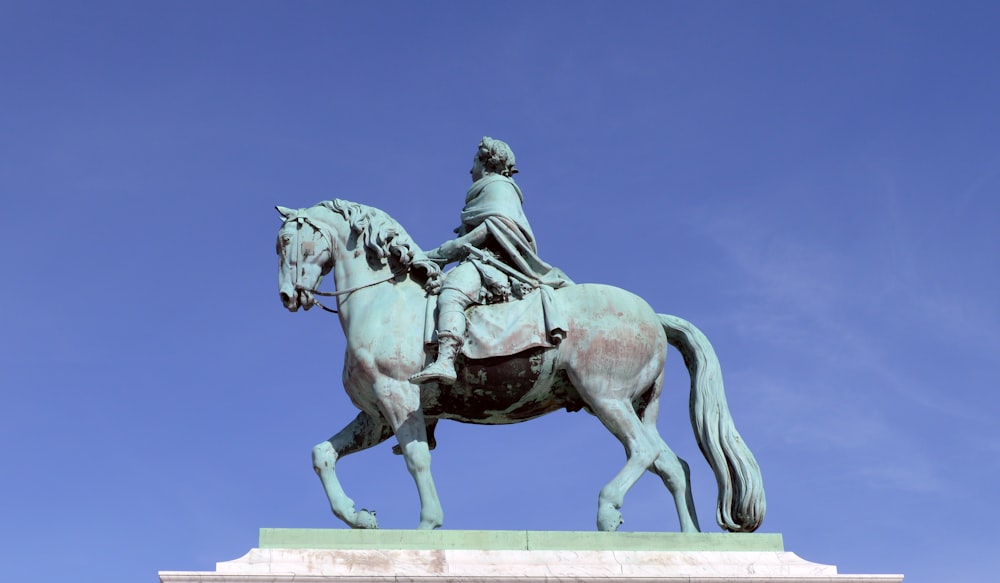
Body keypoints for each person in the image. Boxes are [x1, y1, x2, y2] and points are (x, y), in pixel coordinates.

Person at [410, 137, 570, 385]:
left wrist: (440, 253)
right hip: (483, 259)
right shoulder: (489, 189)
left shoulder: (498, 186)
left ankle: (445, 359)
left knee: (451, 292)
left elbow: (491, 228)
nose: (470, 168)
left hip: (493, 263)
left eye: (474, 161)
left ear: (486, 161)